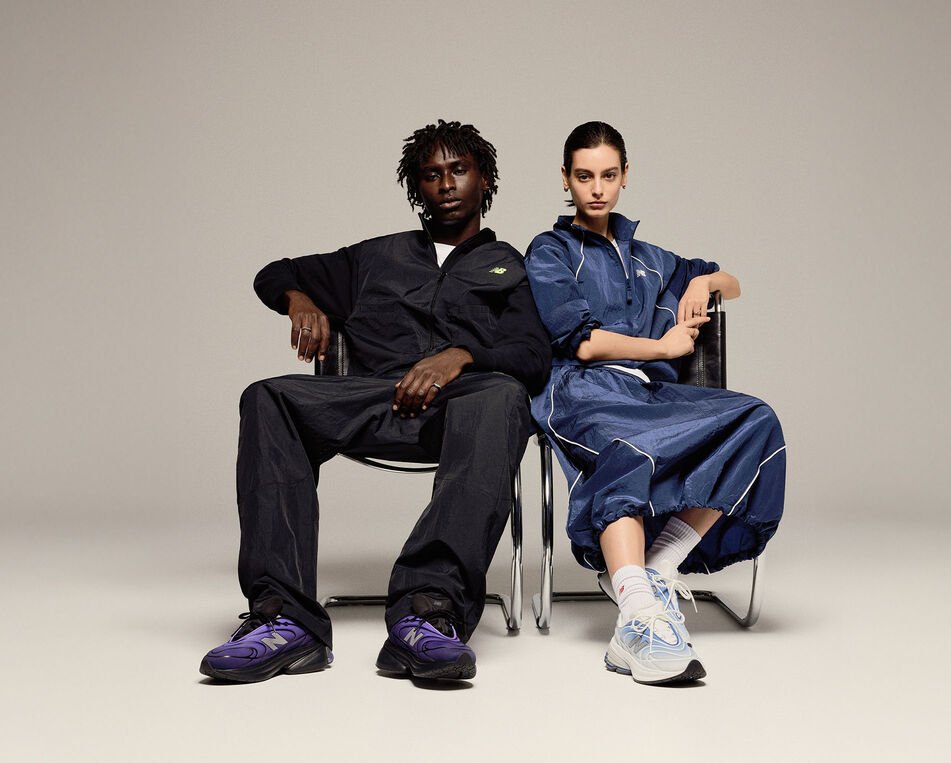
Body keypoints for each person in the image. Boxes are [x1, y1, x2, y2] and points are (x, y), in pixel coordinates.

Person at [200, 120, 551, 684]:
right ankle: (285, 621)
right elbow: (275, 273)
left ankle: (428, 613)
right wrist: (299, 301)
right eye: (431, 174)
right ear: (417, 187)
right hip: (372, 401)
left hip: (461, 412)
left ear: (484, 181)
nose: (446, 184)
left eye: (458, 170)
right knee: (268, 398)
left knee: (504, 395)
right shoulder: (375, 256)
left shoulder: (510, 267)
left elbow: (533, 355)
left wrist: (459, 355)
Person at [524, 121, 787, 685]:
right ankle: (640, 617)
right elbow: (582, 340)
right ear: (565, 179)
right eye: (584, 176)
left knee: (756, 420)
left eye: (609, 176)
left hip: (647, 392)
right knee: (630, 448)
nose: (597, 189)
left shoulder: (651, 257)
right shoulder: (550, 250)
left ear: (625, 177)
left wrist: (704, 283)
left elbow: (733, 281)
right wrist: (663, 346)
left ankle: (656, 569)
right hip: (579, 387)